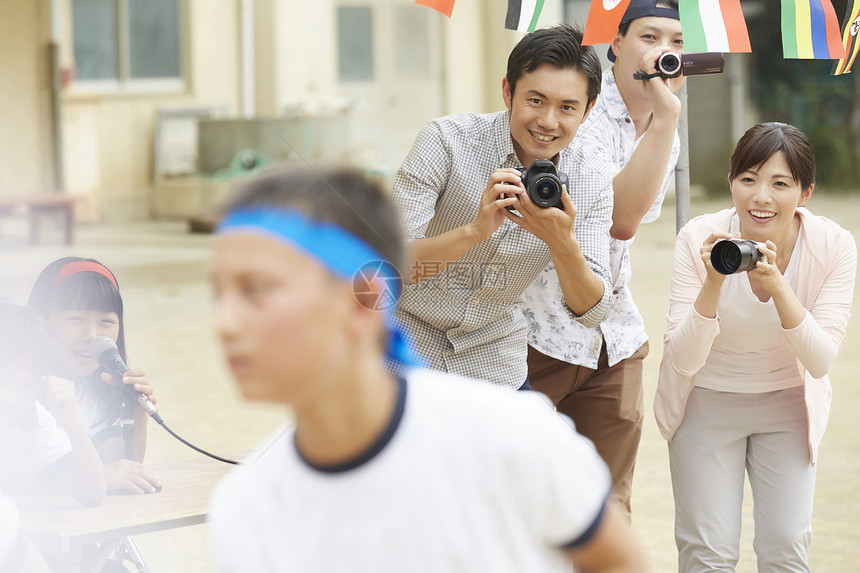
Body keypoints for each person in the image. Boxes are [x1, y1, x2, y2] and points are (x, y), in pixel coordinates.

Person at [207, 166, 645, 572]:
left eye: (257, 289)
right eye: (218, 293)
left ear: (363, 300)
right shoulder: (245, 508)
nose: (223, 322)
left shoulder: (508, 436)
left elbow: (619, 562)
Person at [655, 122, 857, 571]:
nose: (760, 197)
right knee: (708, 554)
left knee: (786, 548)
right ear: (731, 183)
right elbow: (684, 359)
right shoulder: (698, 238)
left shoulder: (835, 246)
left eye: (780, 183)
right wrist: (713, 282)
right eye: (748, 179)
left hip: (787, 403)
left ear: (805, 193)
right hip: (704, 400)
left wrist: (778, 287)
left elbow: (821, 360)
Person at [520, 0, 684, 516]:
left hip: (613, 335)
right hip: (537, 331)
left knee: (607, 509)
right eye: (650, 37)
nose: (664, 53)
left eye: (677, 43)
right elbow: (621, 218)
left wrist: (662, 123)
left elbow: (621, 239)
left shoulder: (663, 124)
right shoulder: (579, 109)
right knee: (525, 503)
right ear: (616, 43)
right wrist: (665, 122)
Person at [392, 24, 614, 389]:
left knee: (528, 446)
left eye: (567, 107)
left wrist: (562, 243)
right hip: (403, 343)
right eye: (536, 100)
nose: (547, 121)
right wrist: (475, 230)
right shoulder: (446, 141)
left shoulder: (593, 177)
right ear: (508, 92)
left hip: (494, 357)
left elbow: (592, 310)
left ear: (587, 111)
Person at [27, 258, 161, 494]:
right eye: (75, 319)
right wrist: (98, 478)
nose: (92, 335)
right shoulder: (18, 392)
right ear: (43, 321)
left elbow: (124, 468)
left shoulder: (90, 392)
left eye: (106, 321)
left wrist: (138, 416)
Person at [0, 302, 106, 507]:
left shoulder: (33, 421)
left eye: (26, 387)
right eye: (2, 379)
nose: (9, 399)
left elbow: (92, 494)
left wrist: (73, 424)